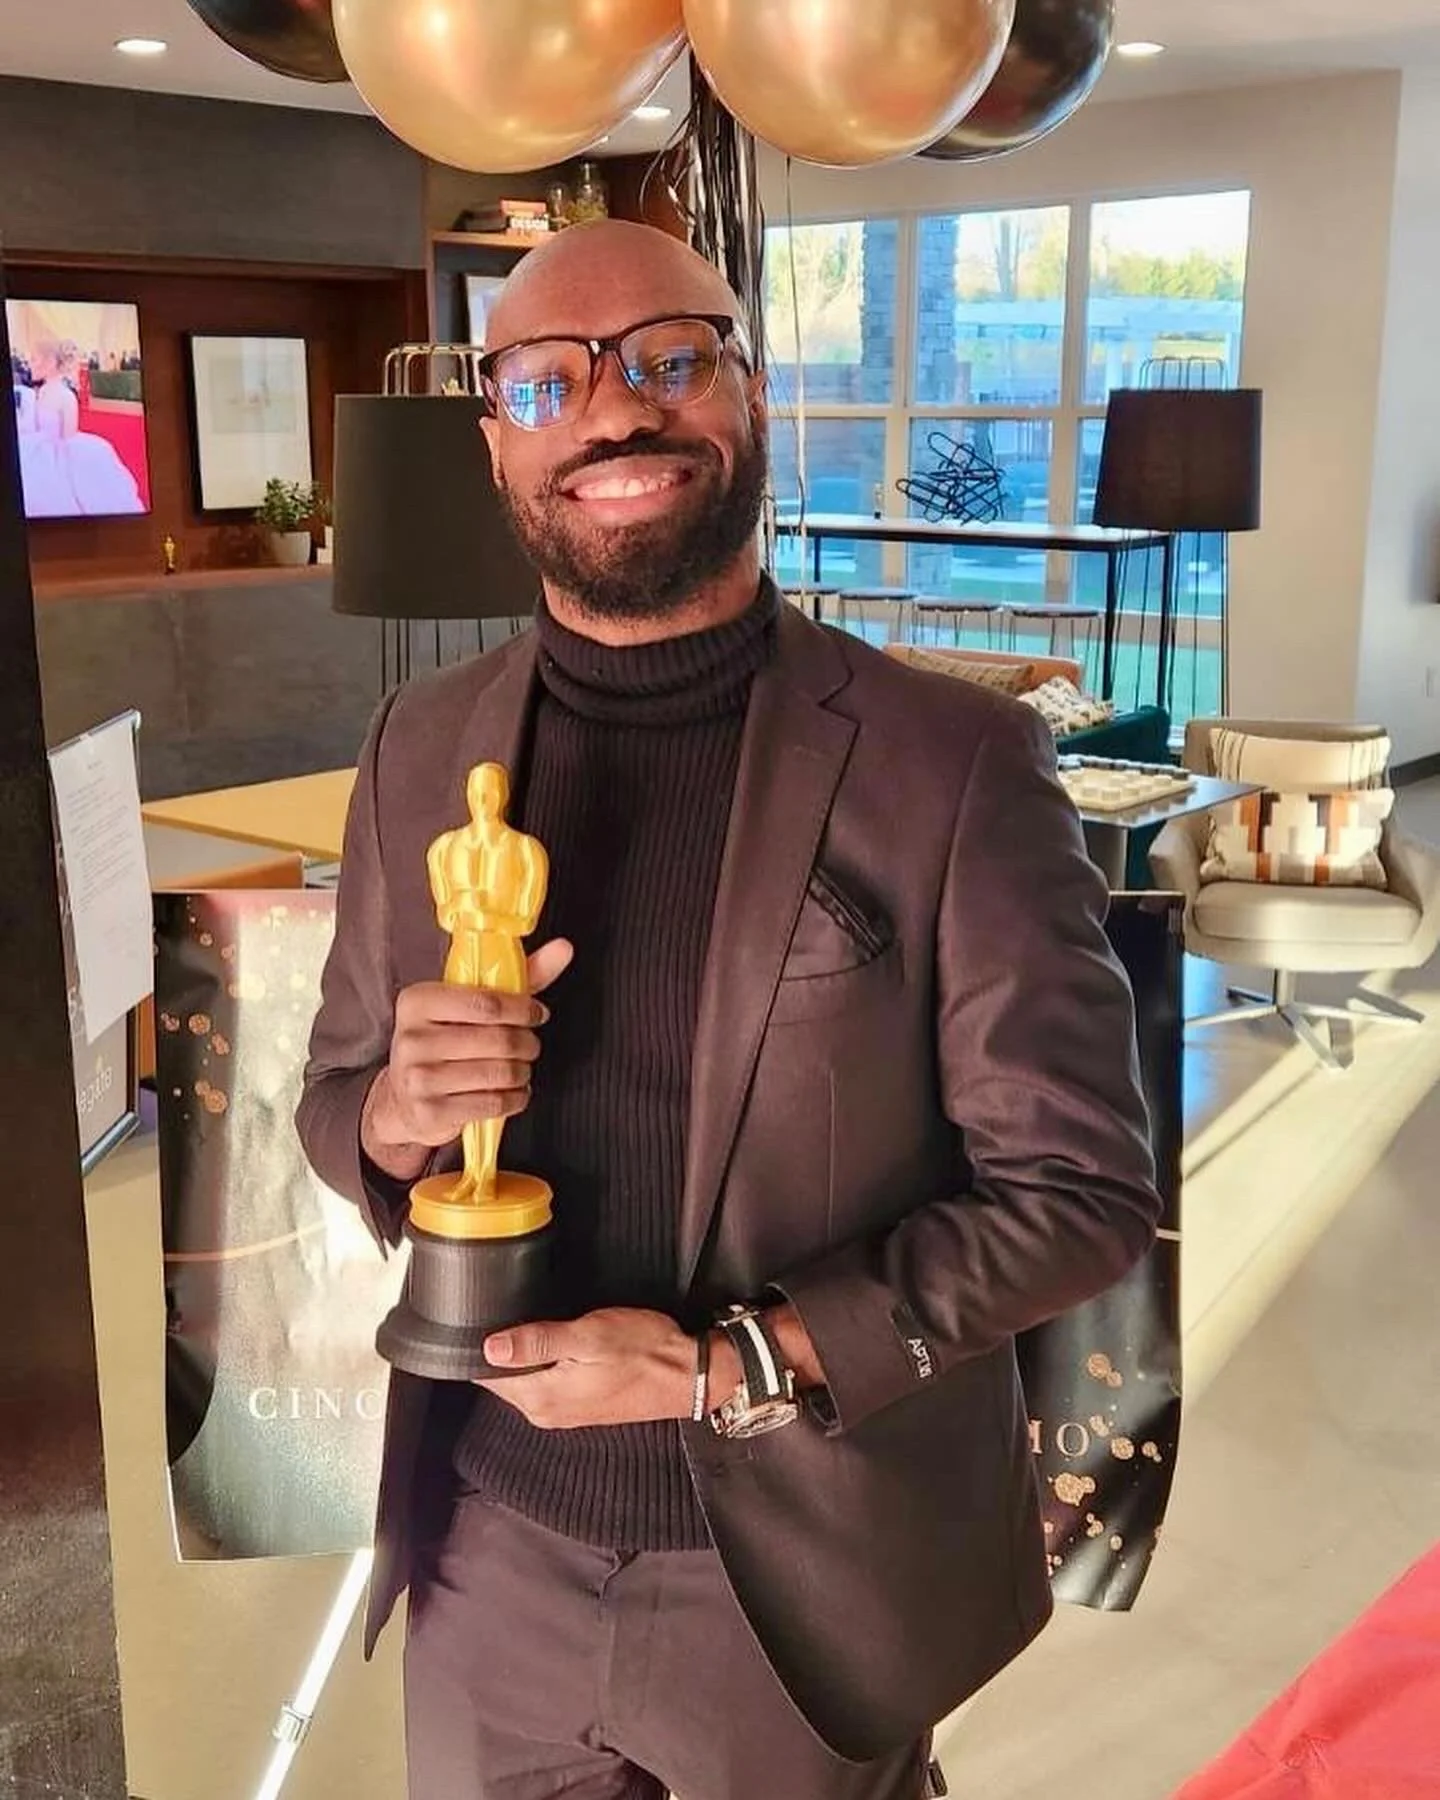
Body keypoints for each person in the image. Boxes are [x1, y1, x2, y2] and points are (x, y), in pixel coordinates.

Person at [297, 219, 1160, 1800]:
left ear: (752, 396)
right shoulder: (415, 751)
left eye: (667, 361)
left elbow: (1080, 1197)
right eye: (547, 382)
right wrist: (395, 1115)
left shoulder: (949, 767)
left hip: (792, 1573)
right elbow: (338, 1090)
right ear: (498, 442)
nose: (612, 412)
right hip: (483, 1560)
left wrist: (726, 1367)